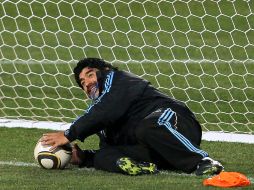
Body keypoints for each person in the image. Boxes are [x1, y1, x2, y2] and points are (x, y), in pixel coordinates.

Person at [41, 58, 224, 176]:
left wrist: (69, 133)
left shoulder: (118, 79)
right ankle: (140, 166)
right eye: (83, 83)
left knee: (149, 126)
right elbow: (110, 143)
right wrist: (83, 157)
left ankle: (203, 161)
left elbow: (107, 109)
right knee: (105, 153)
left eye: (90, 75)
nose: (87, 83)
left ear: (105, 69)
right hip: (157, 149)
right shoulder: (100, 115)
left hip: (177, 124)